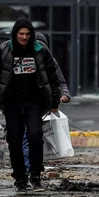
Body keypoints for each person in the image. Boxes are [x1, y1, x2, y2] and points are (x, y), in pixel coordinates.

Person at [0, 18, 64, 193]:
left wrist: (54, 103)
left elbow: (53, 77)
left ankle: (35, 176)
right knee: (14, 141)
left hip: (34, 102)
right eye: (21, 34)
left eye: (28, 34)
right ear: (15, 34)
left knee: (35, 136)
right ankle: (20, 179)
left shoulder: (40, 50)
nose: (24, 37)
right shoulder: (4, 50)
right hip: (11, 103)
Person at [22, 32, 70, 162]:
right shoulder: (23, 59)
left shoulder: (51, 62)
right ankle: (28, 167)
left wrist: (64, 95)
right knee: (28, 137)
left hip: (44, 107)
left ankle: (32, 167)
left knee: (34, 137)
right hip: (26, 105)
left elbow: (60, 82)